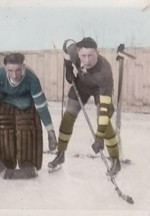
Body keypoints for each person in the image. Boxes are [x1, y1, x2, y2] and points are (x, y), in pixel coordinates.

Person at [0, 52, 57, 171]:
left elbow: (42, 107)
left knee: (26, 129)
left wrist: (51, 132)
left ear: (23, 67)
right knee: (4, 127)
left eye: (18, 70)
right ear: (5, 69)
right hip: (5, 104)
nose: (14, 75)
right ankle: (5, 159)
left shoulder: (32, 79)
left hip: (26, 106)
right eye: (10, 71)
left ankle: (28, 161)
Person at [48, 37, 121, 176]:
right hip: (81, 85)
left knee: (103, 122)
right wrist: (68, 67)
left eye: (91, 56)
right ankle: (60, 154)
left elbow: (105, 109)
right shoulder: (74, 51)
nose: (87, 60)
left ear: (97, 53)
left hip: (100, 90)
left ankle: (115, 160)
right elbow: (66, 44)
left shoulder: (104, 71)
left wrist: (99, 136)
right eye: (83, 56)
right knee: (68, 116)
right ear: (78, 53)